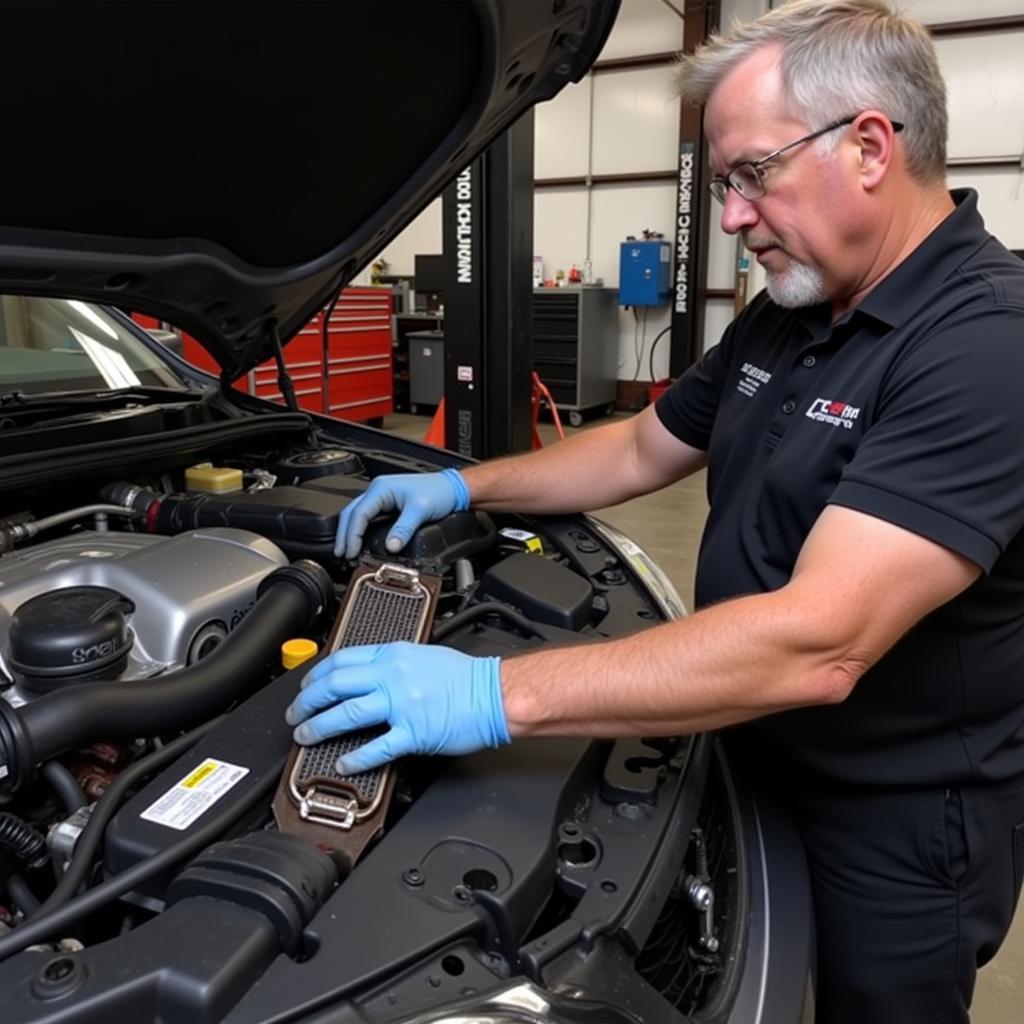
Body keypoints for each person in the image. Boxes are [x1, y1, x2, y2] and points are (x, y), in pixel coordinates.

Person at [285, 1, 1024, 1020]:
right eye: (724, 185)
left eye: (750, 175)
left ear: (866, 147)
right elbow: (639, 445)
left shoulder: (986, 342)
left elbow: (820, 642)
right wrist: (462, 482)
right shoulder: (791, 310)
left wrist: (494, 693)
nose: (728, 218)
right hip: (741, 741)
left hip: (890, 822)